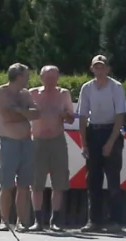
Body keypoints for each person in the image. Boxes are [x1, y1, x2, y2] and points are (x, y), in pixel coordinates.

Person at [76, 54, 126, 233]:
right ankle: (94, 221)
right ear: (92, 69)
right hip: (93, 132)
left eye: (102, 67)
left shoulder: (116, 87)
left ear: (107, 69)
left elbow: (120, 115)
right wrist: (84, 143)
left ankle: (115, 221)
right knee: (93, 179)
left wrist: (111, 142)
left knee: (113, 179)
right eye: (96, 67)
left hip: (111, 131)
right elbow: (82, 116)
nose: (99, 70)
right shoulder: (87, 88)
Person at [0, 63, 38, 231]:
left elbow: (36, 113)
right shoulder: (1, 92)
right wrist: (24, 113)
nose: (28, 79)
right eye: (26, 75)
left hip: (26, 142)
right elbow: (7, 116)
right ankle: (4, 221)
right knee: (6, 184)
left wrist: (19, 111)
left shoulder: (25, 94)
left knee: (24, 184)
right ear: (18, 77)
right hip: (8, 142)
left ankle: (22, 221)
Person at [30, 65, 75, 232]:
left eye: (54, 78)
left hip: (57, 140)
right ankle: (37, 220)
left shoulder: (64, 94)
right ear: (41, 78)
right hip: (37, 141)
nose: (51, 81)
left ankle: (55, 220)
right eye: (47, 78)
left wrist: (64, 115)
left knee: (59, 181)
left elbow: (71, 118)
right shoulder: (33, 93)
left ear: (58, 78)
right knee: (36, 182)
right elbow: (22, 113)